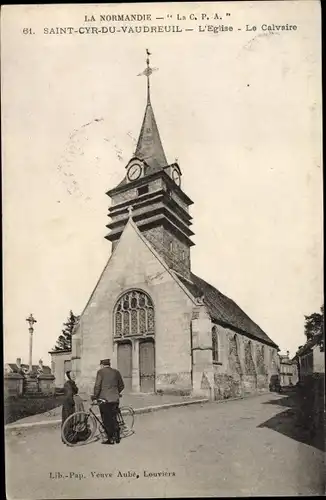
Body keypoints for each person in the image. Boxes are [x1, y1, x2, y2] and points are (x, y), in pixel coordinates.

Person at [91, 359, 124, 445]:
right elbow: (122, 385)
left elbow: (97, 386)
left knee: (106, 419)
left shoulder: (100, 372)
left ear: (102, 365)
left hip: (104, 400)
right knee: (114, 417)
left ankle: (110, 439)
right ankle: (117, 438)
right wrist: (116, 392)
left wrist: (94, 397)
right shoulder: (116, 372)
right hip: (115, 399)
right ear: (109, 364)